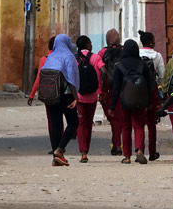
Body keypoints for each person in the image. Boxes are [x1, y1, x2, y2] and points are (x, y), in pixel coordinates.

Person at [109, 39, 155, 164]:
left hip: (123, 100)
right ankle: (140, 150)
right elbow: (149, 84)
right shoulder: (143, 64)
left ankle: (127, 156)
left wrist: (112, 106)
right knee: (139, 125)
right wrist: (150, 101)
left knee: (126, 126)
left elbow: (116, 88)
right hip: (140, 99)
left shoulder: (119, 65)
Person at [40, 34, 80, 166]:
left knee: (56, 124)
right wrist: (76, 98)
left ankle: (56, 156)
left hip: (51, 95)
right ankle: (60, 149)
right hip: (67, 95)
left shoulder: (50, 57)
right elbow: (72, 79)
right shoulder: (69, 57)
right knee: (73, 122)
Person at [74, 35, 103, 164]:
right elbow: (104, 71)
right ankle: (87, 149)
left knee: (80, 123)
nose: (91, 45)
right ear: (87, 45)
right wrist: (102, 90)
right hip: (92, 96)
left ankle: (83, 152)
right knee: (88, 124)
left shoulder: (74, 59)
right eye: (90, 43)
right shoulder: (96, 57)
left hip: (78, 96)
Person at [28, 36, 56, 153]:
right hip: (63, 93)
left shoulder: (45, 59)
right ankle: (61, 144)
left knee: (51, 120)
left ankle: (55, 145)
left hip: (49, 93)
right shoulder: (65, 58)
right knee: (60, 118)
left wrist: (31, 95)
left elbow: (39, 77)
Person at [139, 30, 164, 161]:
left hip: (138, 89)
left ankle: (140, 150)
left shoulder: (137, 53)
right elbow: (162, 76)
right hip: (152, 90)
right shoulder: (157, 56)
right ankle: (152, 152)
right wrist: (157, 84)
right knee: (151, 123)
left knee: (139, 122)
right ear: (151, 42)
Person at [98, 29, 123, 156]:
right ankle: (121, 144)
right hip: (123, 89)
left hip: (107, 89)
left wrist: (101, 91)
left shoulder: (102, 52)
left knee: (113, 118)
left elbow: (99, 73)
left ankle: (117, 144)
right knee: (122, 117)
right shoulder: (124, 50)